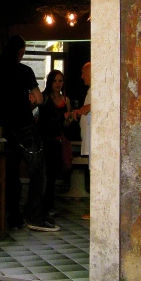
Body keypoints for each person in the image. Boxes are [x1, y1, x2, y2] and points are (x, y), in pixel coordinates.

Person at [0, 35, 60, 232]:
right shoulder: (24, 71)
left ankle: (12, 217)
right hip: (25, 128)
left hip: (7, 129)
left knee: (11, 174)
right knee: (39, 172)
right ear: (20, 51)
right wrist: (29, 101)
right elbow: (39, 98)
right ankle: (35, 216)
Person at [38, 70, 72, 216]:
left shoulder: (66, 100)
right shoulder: (44, 97)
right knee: (43, 174)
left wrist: (67, 119)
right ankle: (41, 206)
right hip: (45, 140)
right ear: (50, 82)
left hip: (58, 140)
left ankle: (49, 205)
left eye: (61, 81)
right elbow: (42, 119)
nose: (58, 84)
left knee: (52, 174)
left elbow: (67, 125)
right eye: (55, 81)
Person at [74, 61, 91, 218]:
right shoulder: (90, 90)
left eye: (84, 73)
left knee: (95, 172)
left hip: (94, 140)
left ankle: (95, 209)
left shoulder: (97, 90)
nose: (82, 77)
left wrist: (85, 109)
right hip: (89, 138)